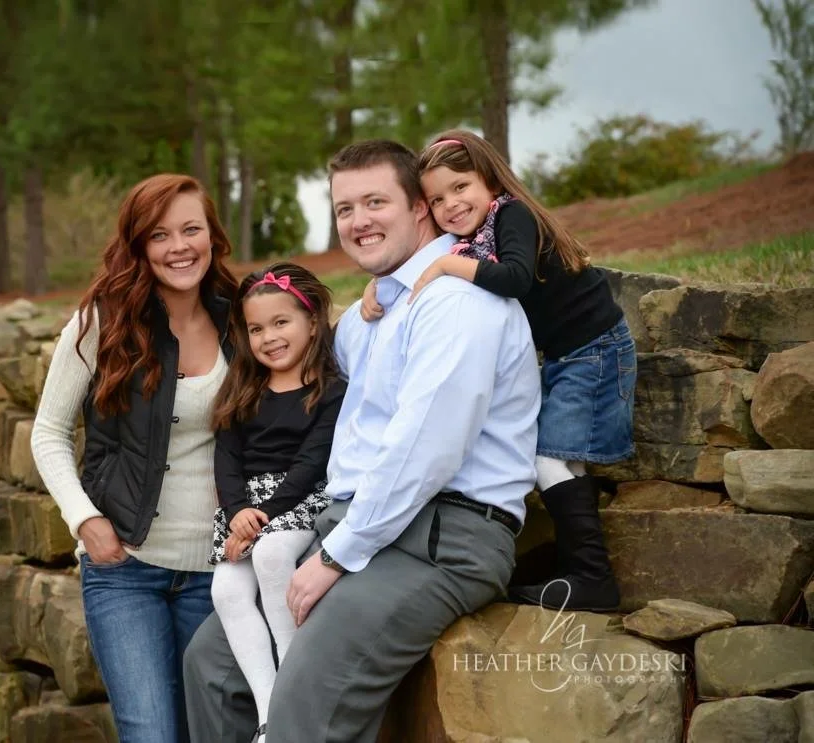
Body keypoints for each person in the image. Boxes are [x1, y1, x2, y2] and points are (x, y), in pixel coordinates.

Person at [183, 139, 540, 743]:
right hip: (359, 523)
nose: (358, 221)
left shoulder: (455, 303)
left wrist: (334, 555)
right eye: (345, 208)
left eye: (376, 201)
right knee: (211, 667)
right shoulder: (369, 318)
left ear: (420, 209)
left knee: (303, 703)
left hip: (440, 536)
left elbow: (422, 453)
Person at [360, 129, 635, 612]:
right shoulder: (471, 236)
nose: (451, 204)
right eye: (437, 199)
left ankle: (593, 578)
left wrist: (447, 266)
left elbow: (512, 278)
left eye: (461, 187)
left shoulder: (512, 215)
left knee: (549, 461)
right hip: (567, 355)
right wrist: (379, 286)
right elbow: (415, 260)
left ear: (489, 180)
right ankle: (575, 566)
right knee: (555, 460)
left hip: (593, 349)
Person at [31, 173, 238, 743]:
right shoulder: (104, 321)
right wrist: (86, 520)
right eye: (160, 235)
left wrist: (374, 302)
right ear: (139, 246)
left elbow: (309, 339)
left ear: (212, 236)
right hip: (126, 569)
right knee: (151, 734)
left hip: (217, 574)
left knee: (212, 733)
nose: (179, 247)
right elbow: (47, 432)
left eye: (191, 229)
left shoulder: (239, 319)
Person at [208, 262, 346, 743]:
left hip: (299, 501)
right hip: (244, 508)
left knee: (270, 555)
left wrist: (262, 520)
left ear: (312, 320)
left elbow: (311, 464)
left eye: (281, 322)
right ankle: (270, 715)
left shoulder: (331, 391)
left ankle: (295, 692)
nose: (268, 337)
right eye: (256, 328)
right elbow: (225, 458)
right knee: (224, 592)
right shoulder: (244, 387)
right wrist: (236, 513)